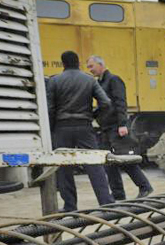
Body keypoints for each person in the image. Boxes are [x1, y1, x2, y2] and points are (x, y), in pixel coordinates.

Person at [46, 51, 115, 212]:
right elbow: (106, 102)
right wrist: (92, 115)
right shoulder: (89, 80)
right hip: (84, 126)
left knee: (64, 166)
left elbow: (50, 108)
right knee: (94, 164)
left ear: (63, 63)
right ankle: (106, 202)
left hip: (62, 128)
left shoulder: (55, 80)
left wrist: (51, 129)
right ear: (78, 62)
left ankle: (70, 206)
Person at [86, 55, 154, 200]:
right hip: (105, 128)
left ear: (100, 64)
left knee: (124, 160)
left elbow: (120, 102)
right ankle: (118, 193)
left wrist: (122, 124)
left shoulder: (113, 80)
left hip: (115, 127)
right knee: (108, 162)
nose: (89, 70)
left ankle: (145, 187)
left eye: (91, 66)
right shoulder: (100, 82)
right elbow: (102, 105)